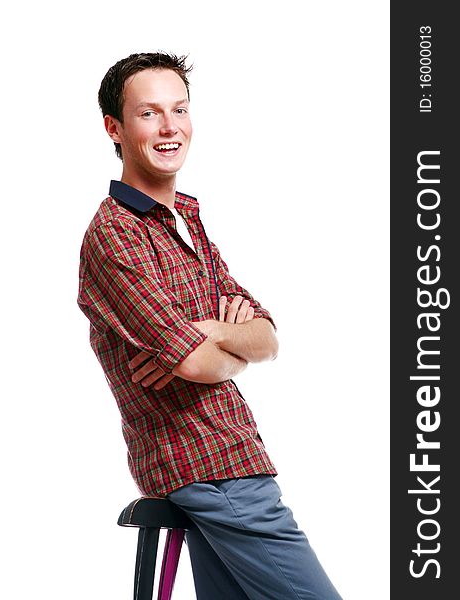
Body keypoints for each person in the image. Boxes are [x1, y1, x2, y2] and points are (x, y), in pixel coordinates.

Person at [77, 52, 342, 600]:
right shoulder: (116, 236)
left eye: (180, 109)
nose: (170, 127)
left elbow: (267, 335)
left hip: (231, 464)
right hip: (207, 467)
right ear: (115, 129)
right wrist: (214, 338)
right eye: (149, 113)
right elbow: (196, 364)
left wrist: (212, 331)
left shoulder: (188, 221)